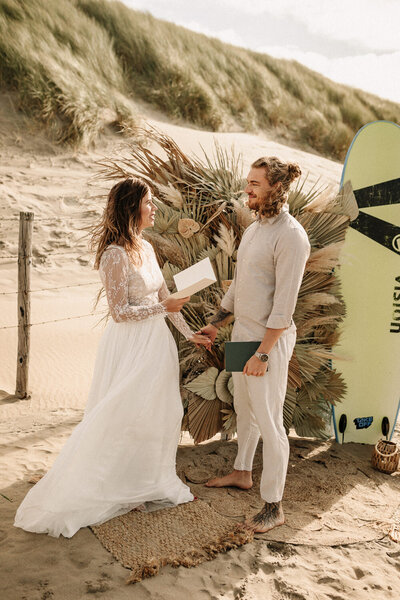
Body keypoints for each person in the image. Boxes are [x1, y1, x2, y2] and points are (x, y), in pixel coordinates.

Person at [14, 177, 210, 538]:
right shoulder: (113, 255)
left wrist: (189, 334)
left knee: (157, 413)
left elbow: (166, 298)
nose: (154, 208)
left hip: (156, 344)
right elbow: (120, 312)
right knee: (123, 413)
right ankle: (113, 485)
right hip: (130, 346)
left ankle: (144, 482)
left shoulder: (147, 248)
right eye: (149, 202)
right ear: (131, 207)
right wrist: (162, 307)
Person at [200, 157, 310, 533]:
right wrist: (217, 324)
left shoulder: (291, 236)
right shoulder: (253, 229)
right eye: (247, 182)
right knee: (245, 409)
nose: (246, 189)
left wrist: (263, 353)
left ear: (275, 189)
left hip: (268, 343)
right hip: (242, 335)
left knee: (270, 421)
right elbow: (239, 284)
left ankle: (273, 505)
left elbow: (284, 304)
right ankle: (242, 472)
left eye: (254, 184)